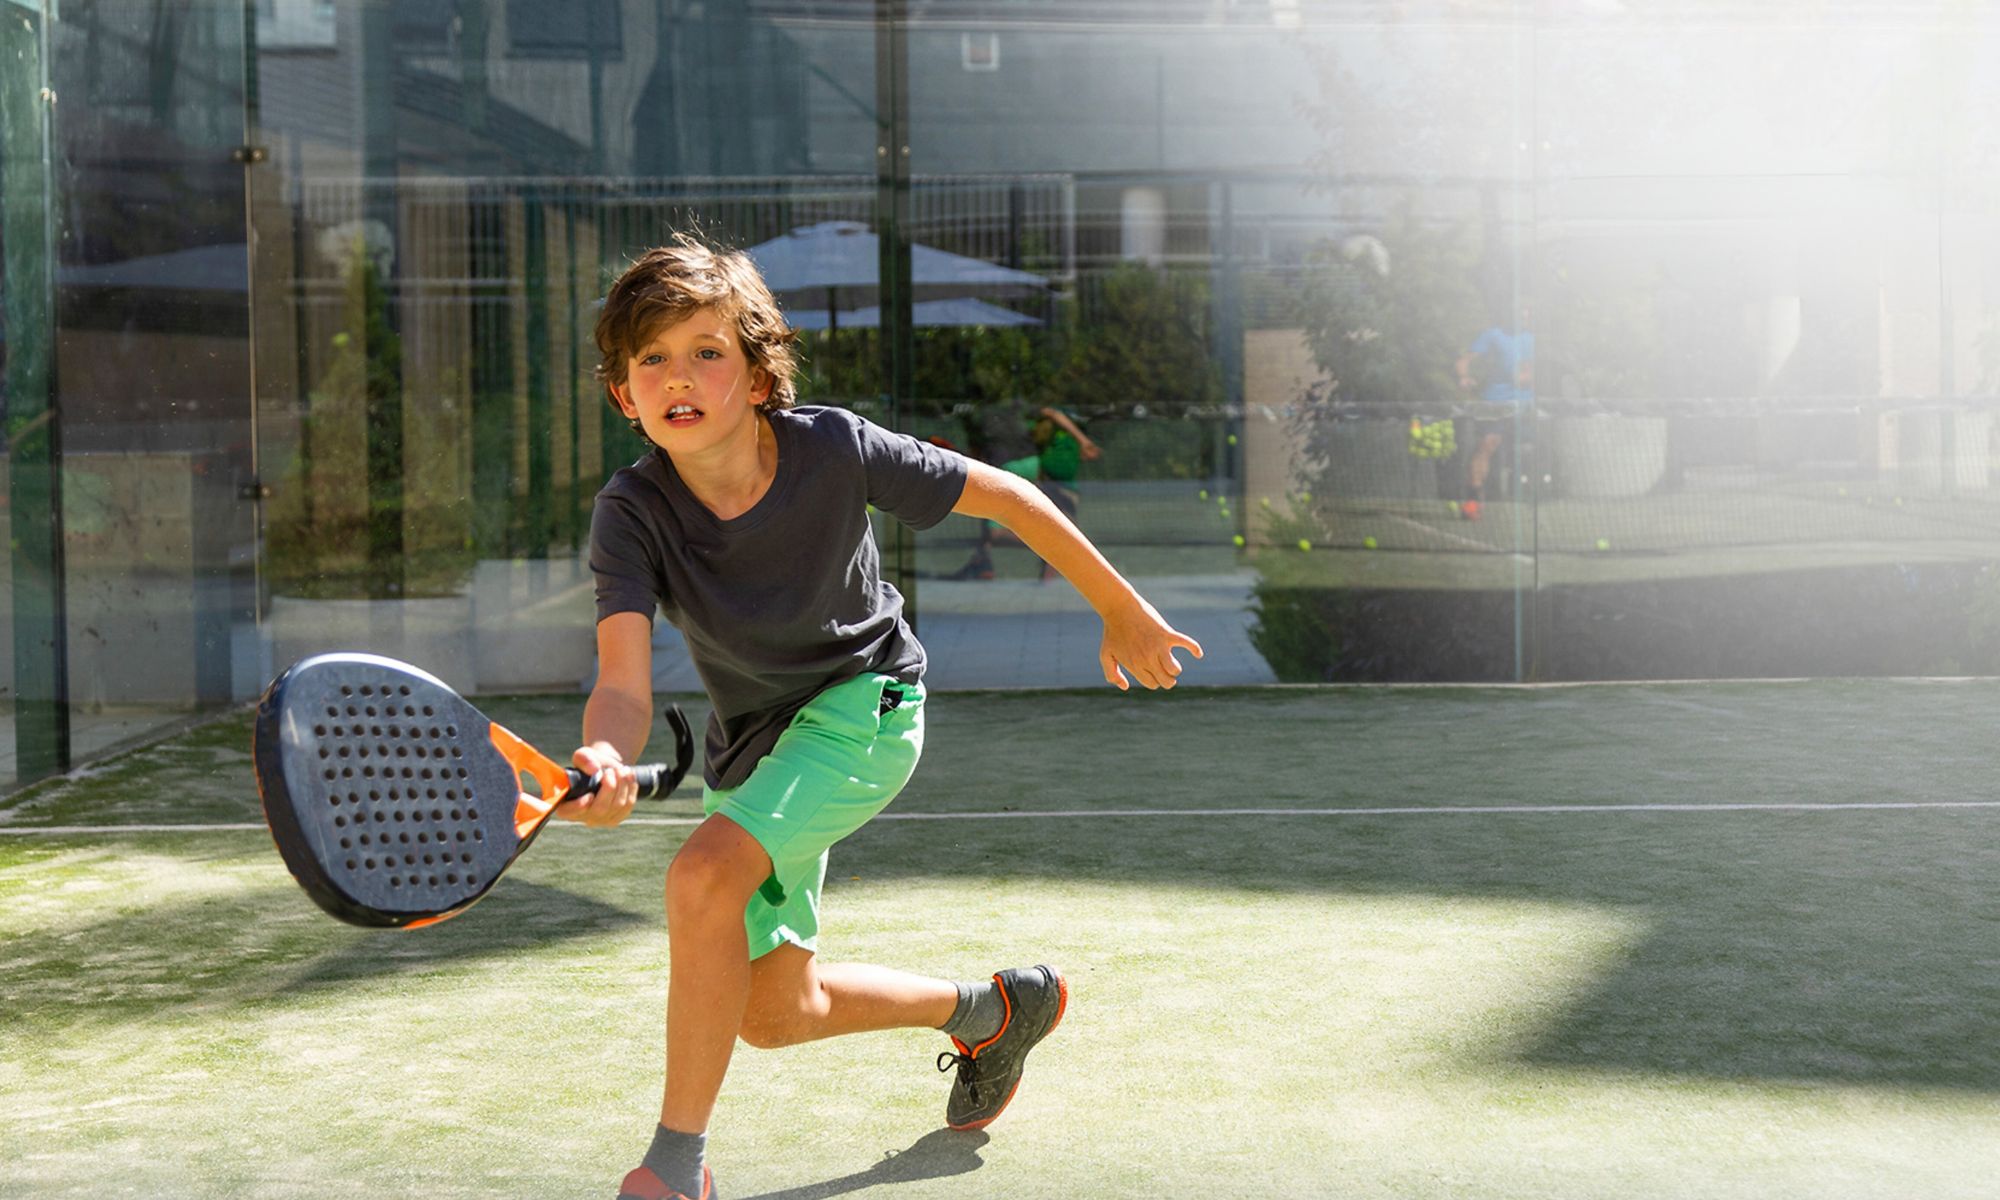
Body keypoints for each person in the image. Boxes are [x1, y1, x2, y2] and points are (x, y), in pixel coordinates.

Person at [568, 236, 1203, 1200]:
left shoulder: (832, 448)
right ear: (625, 396)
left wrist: (1120, 607)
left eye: (705, 349)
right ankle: (990, 1011)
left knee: (703, 877)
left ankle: (674, 1166)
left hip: (868, 705)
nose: (678, 376)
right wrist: (605, 756)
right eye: (650, 360)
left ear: (754, 370)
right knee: (776, 1012)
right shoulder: (632, 511)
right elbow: (621, 681)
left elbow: (1007, 495)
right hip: (756, 749)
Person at [947, 401, 1102, 581]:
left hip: (1050, 480)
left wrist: (1082, 441)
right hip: (1037, 476)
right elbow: (1052, 414)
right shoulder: (1041, 432)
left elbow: (1053, 415)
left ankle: (987, 560)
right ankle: (984, 559)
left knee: (1064, 534)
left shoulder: (1061, 438)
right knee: (996, 532)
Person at [1452, 304, 1534, 519]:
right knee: (1486, 444)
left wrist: (1523, 379)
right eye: (1522, 316)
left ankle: (1531, 499)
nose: (1526, 320)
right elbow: (1464, 361)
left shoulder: (1529, 339)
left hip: (1523, 404)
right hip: (1494, 403)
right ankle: (1473, 499)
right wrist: (1464, 377)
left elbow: (1528, 372)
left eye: (1528, 317)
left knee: (1529, 448)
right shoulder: (1492, 335)